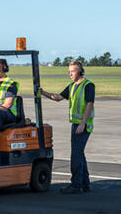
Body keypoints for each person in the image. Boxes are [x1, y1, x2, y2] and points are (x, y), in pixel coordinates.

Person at [40, 61, 95, 194]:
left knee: (76, 154)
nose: (70, 73)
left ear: (80, 71)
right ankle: (85, 184)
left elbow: (89, 104)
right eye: (69, 71)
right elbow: (58, 97)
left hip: (83, 125)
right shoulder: (72, 86)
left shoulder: (88, 85)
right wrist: (43, 92)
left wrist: (83, 123)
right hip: (76, 124)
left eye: (73, 71)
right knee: (79, 153)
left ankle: (76, 185)